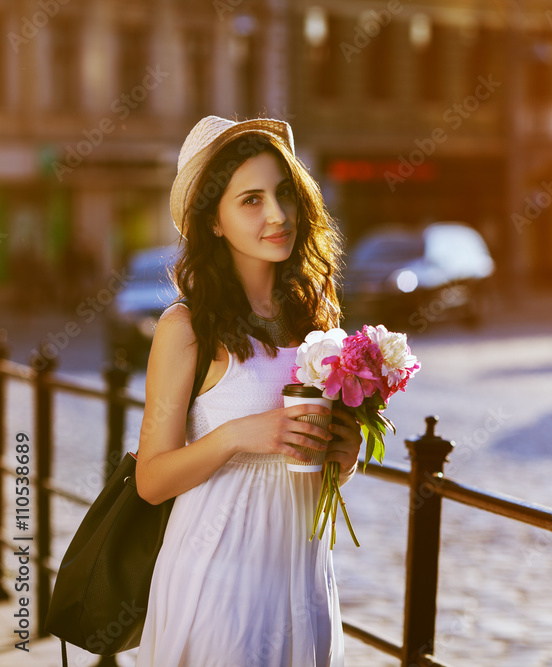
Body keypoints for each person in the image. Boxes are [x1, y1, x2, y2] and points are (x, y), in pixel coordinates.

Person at [135, 116, 362, 667]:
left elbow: (317, 458)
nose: (278, 215)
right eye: (251, 200)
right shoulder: (187, 328)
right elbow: (150, 480)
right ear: (213, 221)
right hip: (219, 582)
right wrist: (238, 435)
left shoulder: (315, 319)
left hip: (301, 578)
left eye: (284, 194)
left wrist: (346, 453)